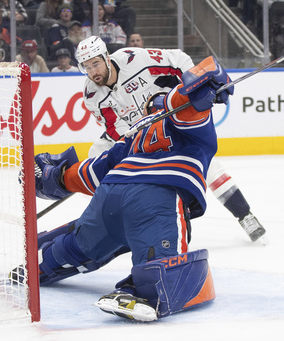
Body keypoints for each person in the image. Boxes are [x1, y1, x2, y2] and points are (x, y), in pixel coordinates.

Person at [22, 37, 236, 321]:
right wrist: (208, 80)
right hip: (154, 198)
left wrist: (58, 178)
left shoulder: (131, 138)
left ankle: (42, 262)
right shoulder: (185, 119)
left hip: (109, 196)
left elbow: (94, 172)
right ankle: (142, 290)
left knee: (78, 246)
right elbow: (186, 100)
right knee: (166, 267)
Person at [80, 36, 266, 243]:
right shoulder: (91, 94)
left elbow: (178, 59)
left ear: (106, 57)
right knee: (95, 156)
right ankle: (118, 216)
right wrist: (137, 137)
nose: (93, 72)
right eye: (87, 67)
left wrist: (197, 87)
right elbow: (114, 127)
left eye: (95, 64)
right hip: (141, 136)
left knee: (208, 166)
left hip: (170, 121)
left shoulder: (134, 60)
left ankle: (245, 215)